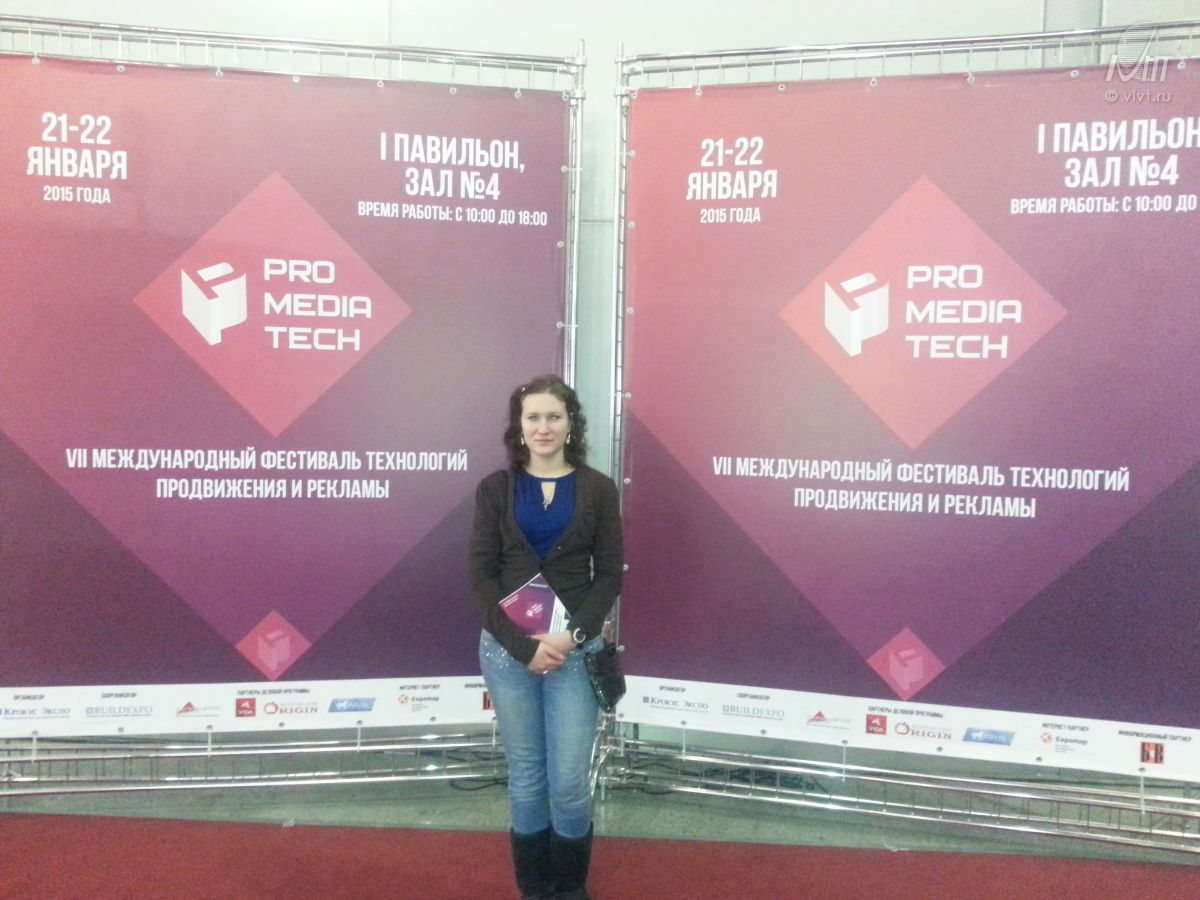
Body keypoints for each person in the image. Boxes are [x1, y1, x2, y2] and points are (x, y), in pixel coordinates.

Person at [469, 375, 623, 900]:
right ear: (519, 426)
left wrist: (571, 636)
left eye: (554, 416)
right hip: (507, 654)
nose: (543, 427)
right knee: (528, 776)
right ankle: (535, 889)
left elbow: (610, 575)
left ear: (570, 423)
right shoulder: (495, 489)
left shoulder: (598, 489)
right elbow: (481, 577)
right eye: (532, 417)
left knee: (570, 782)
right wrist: (525, 647)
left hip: (575, 654)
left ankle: (570, 888)